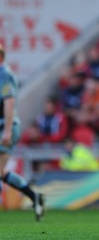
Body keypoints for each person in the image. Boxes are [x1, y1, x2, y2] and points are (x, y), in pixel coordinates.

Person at [0, 45, 45, 221]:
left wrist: (8, 130)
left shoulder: (5, 74)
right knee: (1, 173)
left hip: (5, 127)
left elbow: (9, 102)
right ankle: (34, 197)